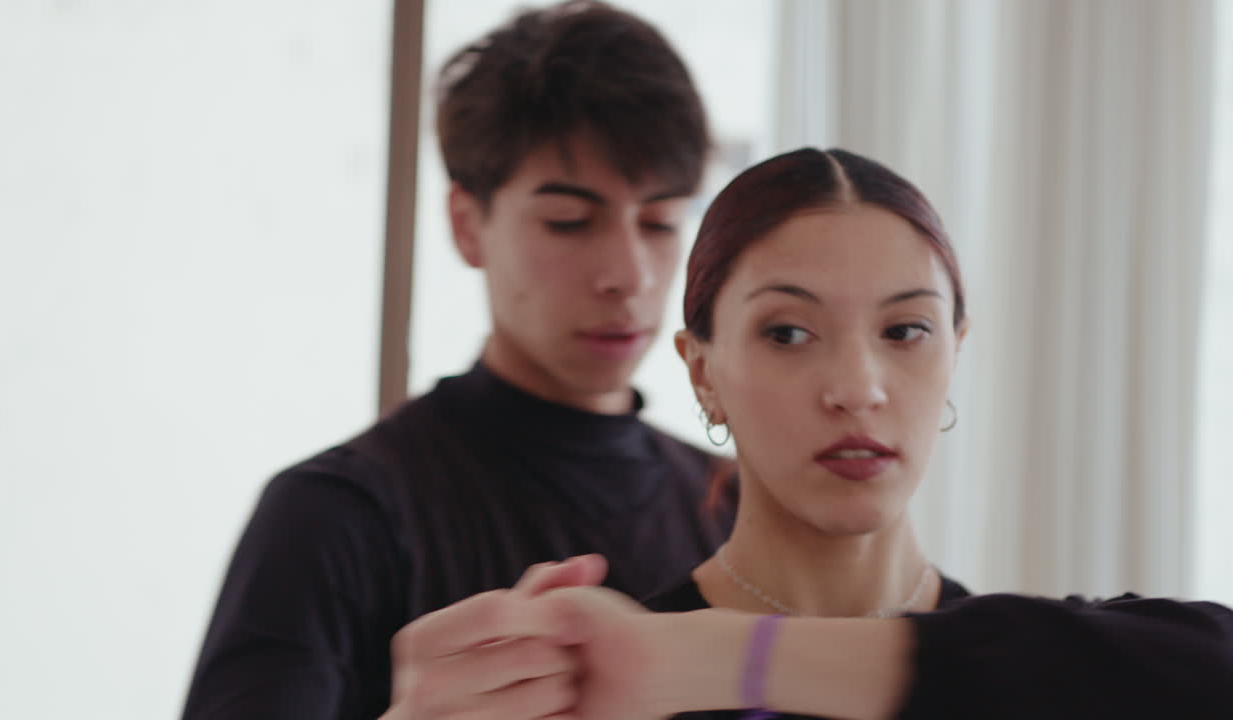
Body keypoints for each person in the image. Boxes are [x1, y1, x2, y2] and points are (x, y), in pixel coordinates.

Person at [389, 148, 1233, 719]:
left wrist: (736, 657)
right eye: (787, 333)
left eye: (906, 332)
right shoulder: (601, 693)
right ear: (702, 370)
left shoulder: (1043, 676)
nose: (858, 388)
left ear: (955, 354)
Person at [181, 3, 733, 719]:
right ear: (467, 224)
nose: (628, 273)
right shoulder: (336, 517)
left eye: (660, 222)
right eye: (569, 221)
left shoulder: (738, 509)